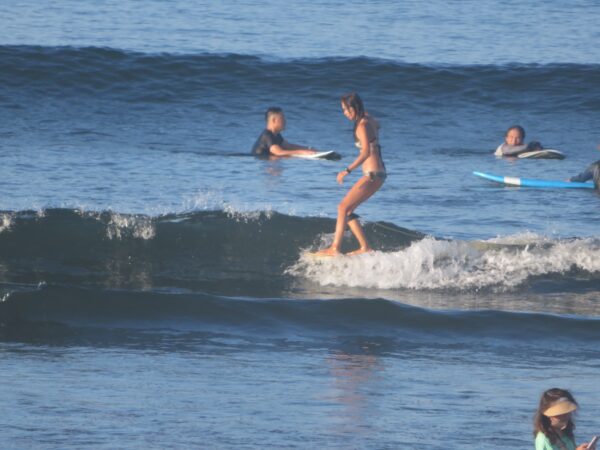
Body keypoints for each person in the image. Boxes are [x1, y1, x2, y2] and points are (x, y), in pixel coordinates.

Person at [314, 93, 386, 256]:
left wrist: (347, 170)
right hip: (378, 174)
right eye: (343, 110)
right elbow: (378, 125)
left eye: (347, 109)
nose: (345, 113)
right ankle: (365, 247)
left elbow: (366, 152)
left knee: (342, 208)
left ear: (355, 107)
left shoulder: (362, 125)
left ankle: (334, 248)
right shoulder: (368, 120)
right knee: (348, 210)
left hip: (372, 175)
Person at [251, 107, 319, 158]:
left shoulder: (276, 135)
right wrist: (302, 152)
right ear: (274, 120)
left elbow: (288, 146)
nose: (285, 121)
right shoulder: (267, 135)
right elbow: (279, 152)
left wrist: (308, 148)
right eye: (282, 118)